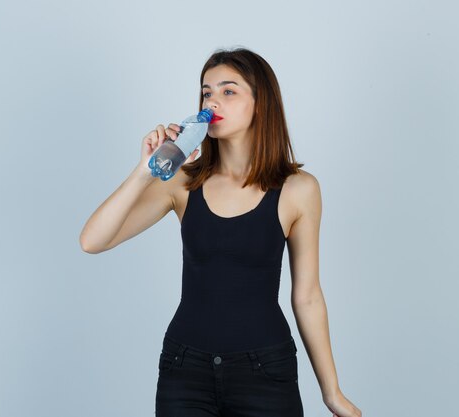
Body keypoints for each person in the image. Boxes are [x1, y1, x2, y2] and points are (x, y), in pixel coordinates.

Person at [79, 47, 362, 417]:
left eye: (229, 91)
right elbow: (93, 241)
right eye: (206, 92)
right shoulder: (181, 183)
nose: (213, 101)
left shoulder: (298, 189)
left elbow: (306, 296)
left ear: (261, 104)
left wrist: (332, 392)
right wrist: (146, 169)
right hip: (185, 371)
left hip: (265, 373)